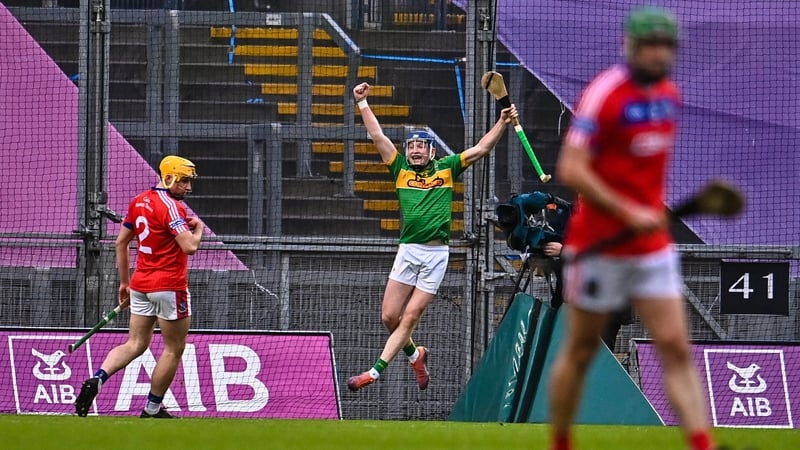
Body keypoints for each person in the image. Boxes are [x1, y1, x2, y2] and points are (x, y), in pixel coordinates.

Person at [548, 6, 716, 450]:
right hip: (599, 245)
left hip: (650, 246)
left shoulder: (669, 96)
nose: (659, 54)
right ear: (630, 46)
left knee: (675, 345)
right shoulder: (604, 94)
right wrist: (628, 210)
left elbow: (644, 172)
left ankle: (701, 442)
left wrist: (647, 211)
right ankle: (560, 439)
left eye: (666, 46)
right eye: (650, 45)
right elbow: (572, 167)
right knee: (582, 350)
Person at [347, 81, 517, 391]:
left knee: (410, 316)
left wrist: (502, 121)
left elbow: (482, 149)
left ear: (431, 150)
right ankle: (416, 355)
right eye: (411, 146)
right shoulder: (399, 169)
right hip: (408, 250)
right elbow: (377, 135)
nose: (414, 150)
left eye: (420, 146)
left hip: (436, 255)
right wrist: (362, 103)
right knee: (390, 317)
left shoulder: (447, 169)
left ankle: (373, 372)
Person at [75, 155, 204, 418]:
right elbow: (189, 246)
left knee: (135, 343)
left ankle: (98, 378)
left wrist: (125, 282)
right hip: (169, 286)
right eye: (184, 181)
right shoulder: (172, 207)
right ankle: (152, 408)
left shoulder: (138, 201)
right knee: (174, 348)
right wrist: (198, 228)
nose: (188, 187)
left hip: (141, 285)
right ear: (169, 177)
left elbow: (120, 243)